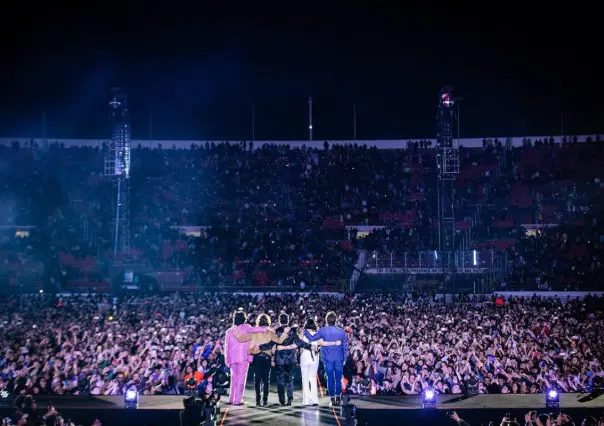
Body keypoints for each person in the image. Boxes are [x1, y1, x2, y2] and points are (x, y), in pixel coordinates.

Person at [232, 313, 290, 407]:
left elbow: (241, 339)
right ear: (268, 322)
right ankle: (265, 401)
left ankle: (258, 401)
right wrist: (285, 333)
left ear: (258, 321)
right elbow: (280, 341)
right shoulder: (270, 332)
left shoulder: (254, 332)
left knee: (257, 380)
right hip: (266, 358)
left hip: (257, 357)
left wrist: (235, 331)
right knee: (266, 381)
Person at [224, 308, 267, 405]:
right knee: (241, 379)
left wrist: (227, 360)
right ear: (244, 319)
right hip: (243, 357)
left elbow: (226, 346)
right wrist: (266, 328)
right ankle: (238, 400)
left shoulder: (229, 331)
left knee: (234, 378)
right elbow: (260, 329)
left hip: (232, 358)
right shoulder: (247, 327)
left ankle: (232, 399)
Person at [304, 311, 347, 406]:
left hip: (328, 359)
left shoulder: (322, 331)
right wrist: (344, 359)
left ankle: (332, 399)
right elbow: (345, 347)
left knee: (330, 378)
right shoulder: (341, 331)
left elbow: (311, 338)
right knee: (338, 378)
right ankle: (338, 398)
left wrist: (305, 331)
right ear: (336, 320)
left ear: (327, 320)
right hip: (339, 358)